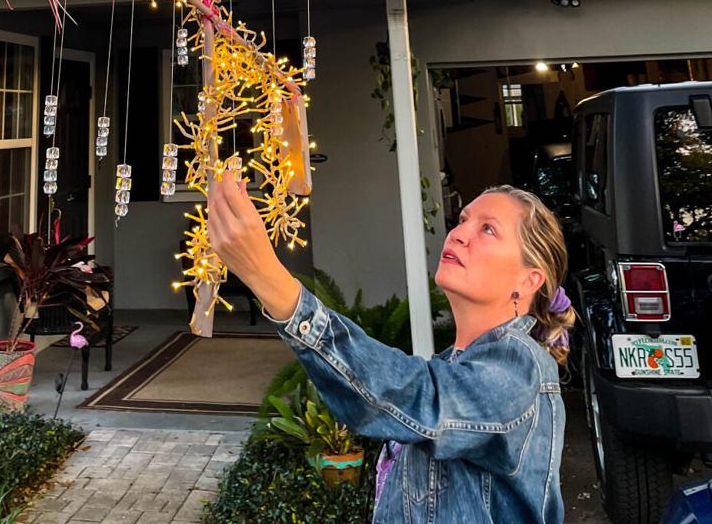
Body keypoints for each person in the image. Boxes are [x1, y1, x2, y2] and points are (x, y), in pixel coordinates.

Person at [208, 179, 577, 523]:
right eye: (463, 220)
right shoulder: (455, 365)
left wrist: (272, 282)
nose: (460, 233)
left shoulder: (521, 367)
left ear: (528, 280)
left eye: (488, 229)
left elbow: (418, 398)